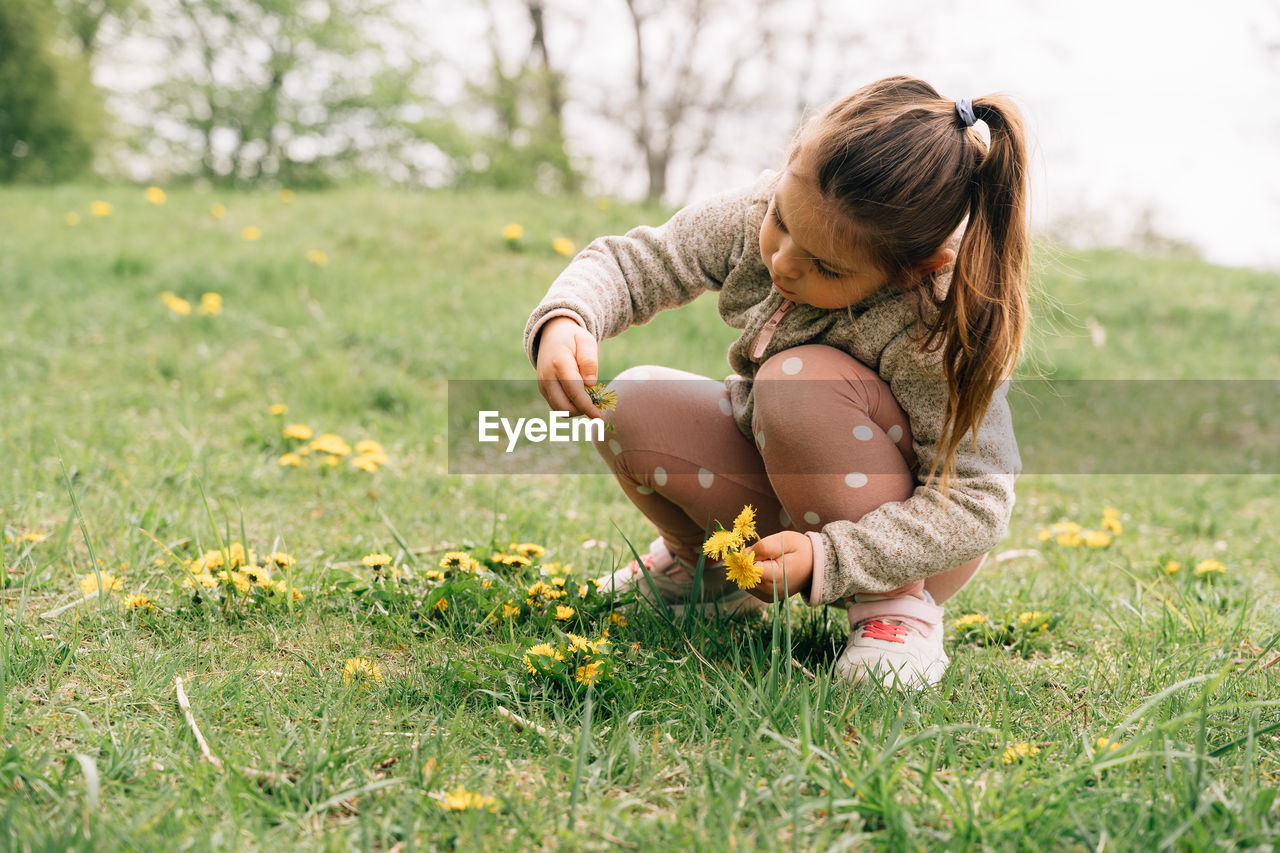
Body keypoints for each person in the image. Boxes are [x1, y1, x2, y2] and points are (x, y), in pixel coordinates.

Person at [523, 75, 1026, 689]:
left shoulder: (936, 327)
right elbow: (638, 262)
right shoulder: (756, 215)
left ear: (914, 269)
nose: (783, 261)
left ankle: (895, 613)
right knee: (627, 399)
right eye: (783, 221)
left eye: (827, 266)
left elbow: (977, 501)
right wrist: (570, 317)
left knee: (799, 379)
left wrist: (834, 557)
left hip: (901, 545)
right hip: (784, 485)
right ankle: (705, 574)